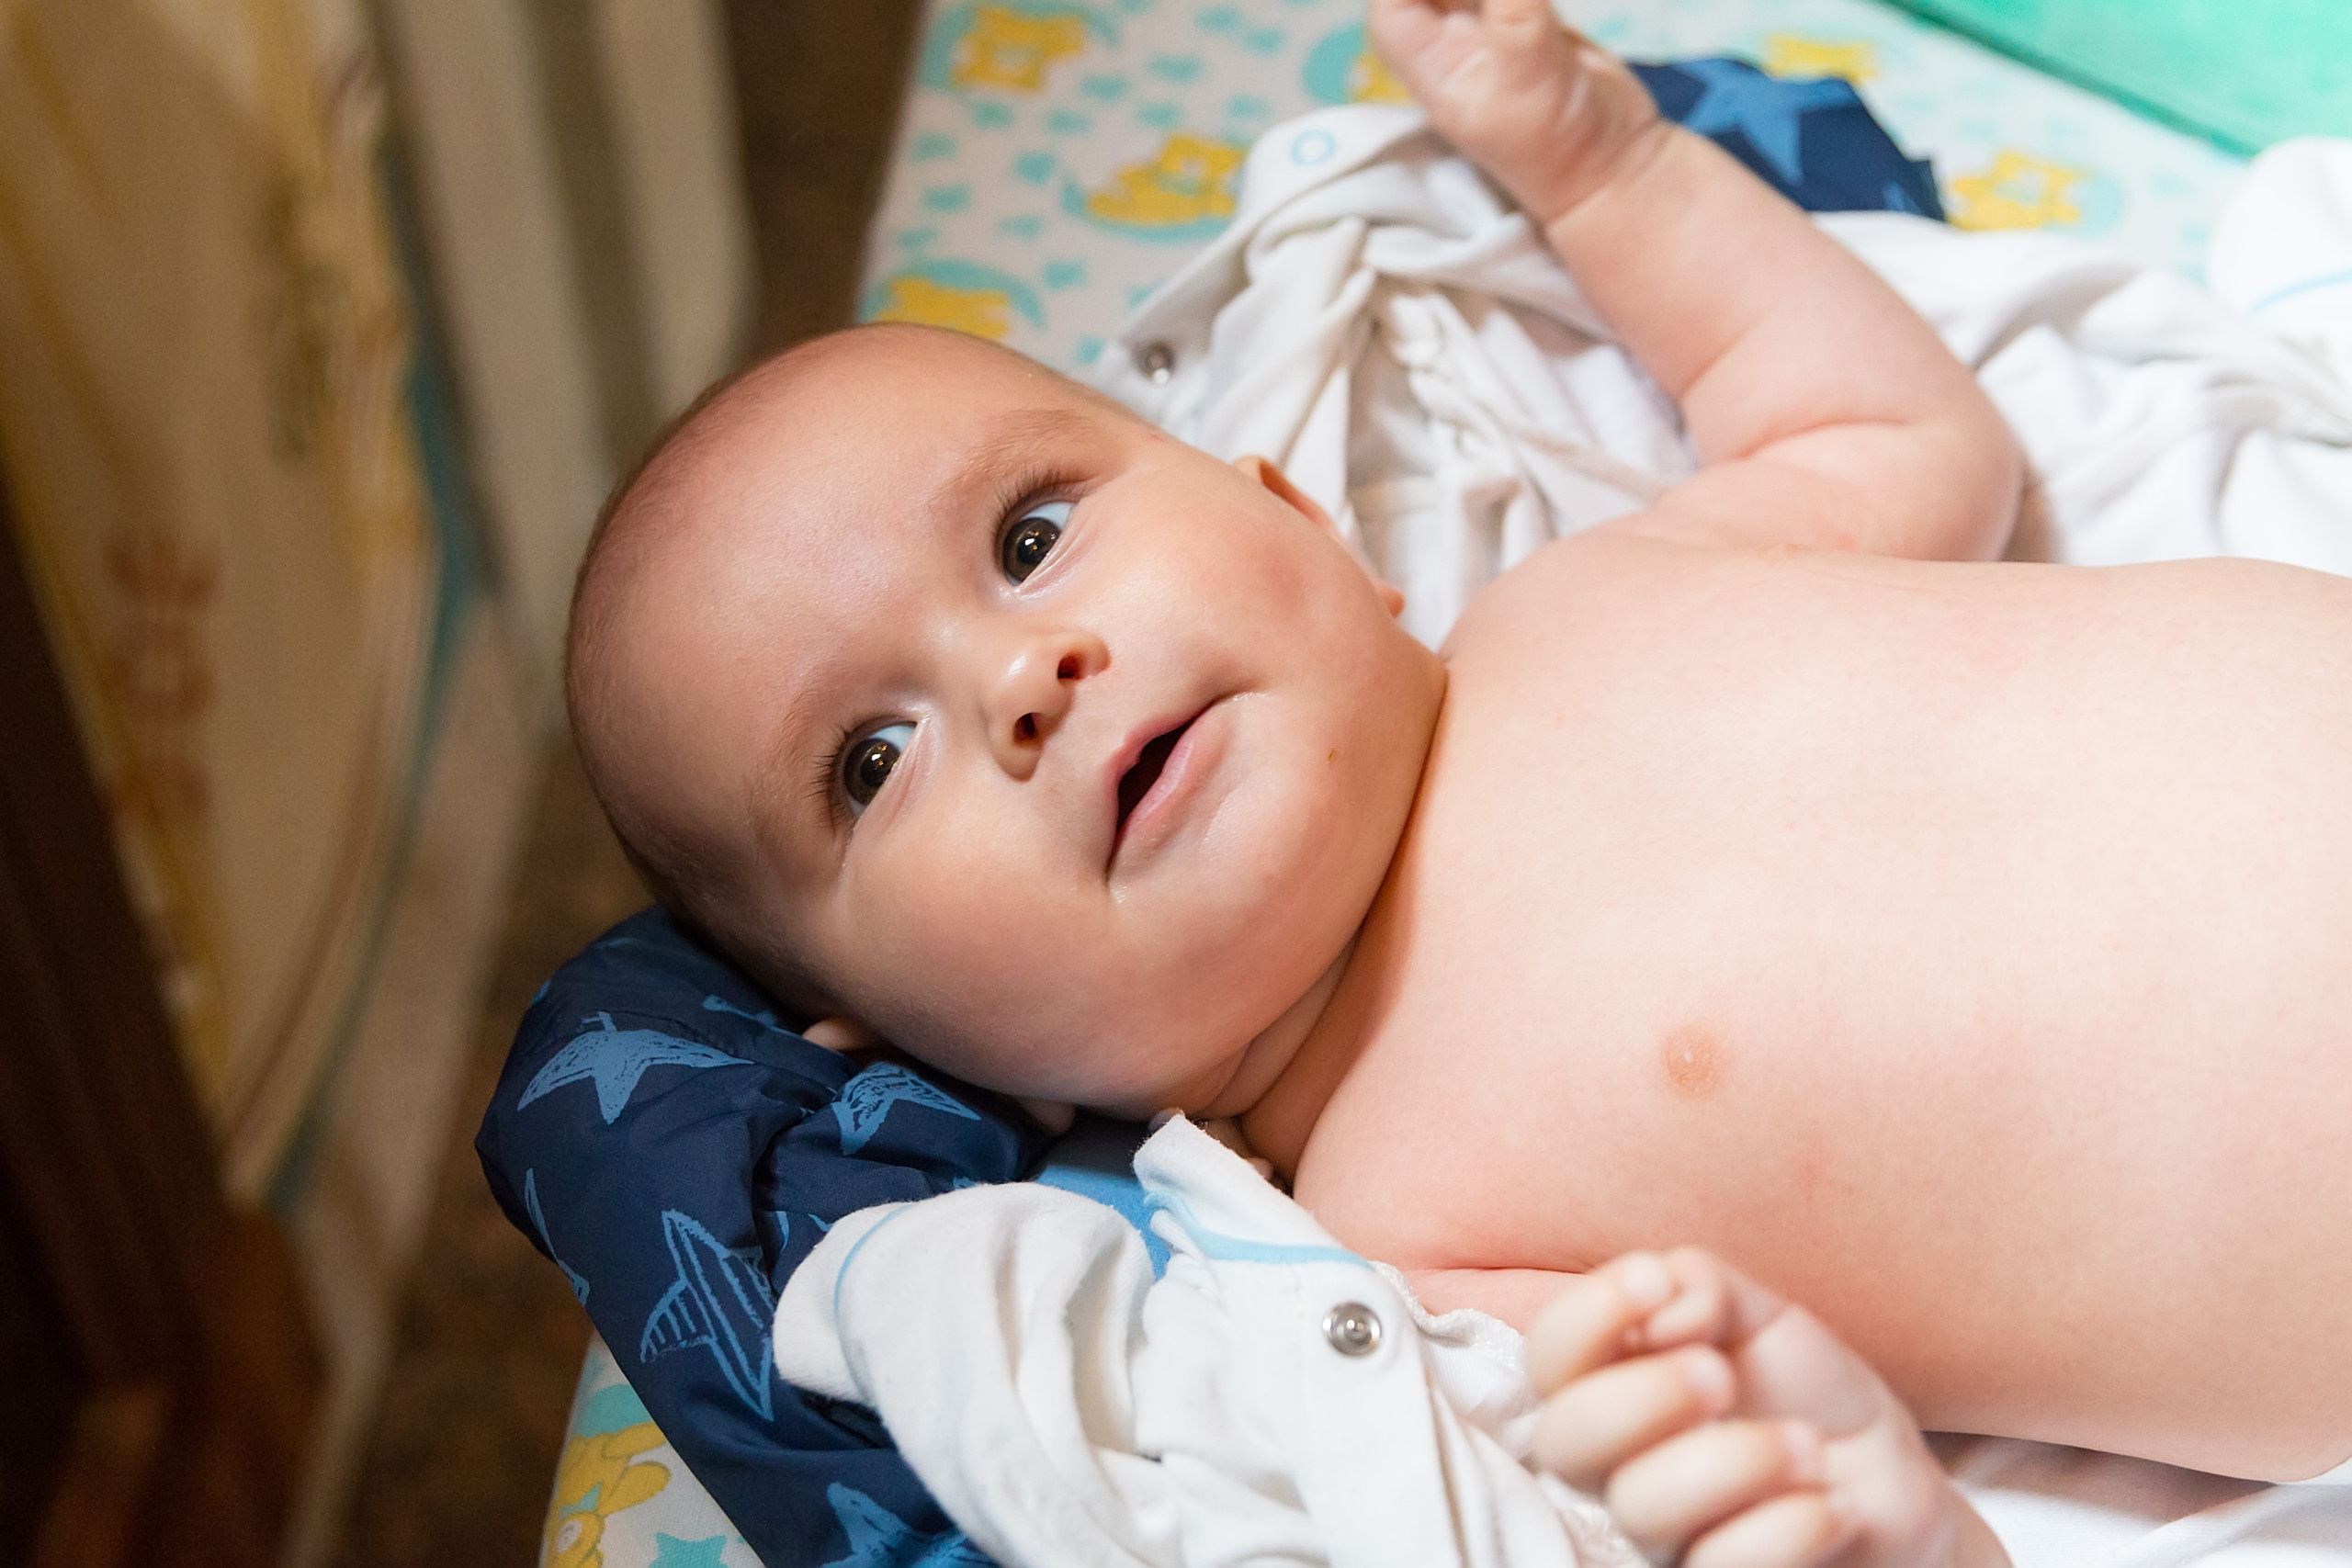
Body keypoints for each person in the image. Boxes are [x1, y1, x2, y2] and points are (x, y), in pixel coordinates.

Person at [561, 0, 2352, 1561]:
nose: (1018, 679)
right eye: (869, 761)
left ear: (1282, 505)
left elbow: (1886, 432)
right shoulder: (1397, 1239)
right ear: (877, 1032)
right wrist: (1871, 1518)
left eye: (1032, 534)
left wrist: (1594, 153)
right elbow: (1673, 1482)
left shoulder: (1582, 596)